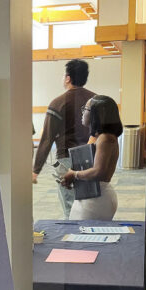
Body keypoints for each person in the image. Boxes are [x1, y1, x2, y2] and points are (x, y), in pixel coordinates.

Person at [33, 58, 96, 217]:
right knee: (89, 204)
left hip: (66, 159)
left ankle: (75, 238)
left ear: (68, 78)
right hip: (91, 158)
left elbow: (47, 139)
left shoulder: (58, 103)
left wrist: (36, 170)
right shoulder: (96, 100)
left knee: (70, 208)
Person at [62, 95, 123, 221]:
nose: (83, 112)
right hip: (91, 194)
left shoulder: (105, 138)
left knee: (84, 235)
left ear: (97, 114)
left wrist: (74, 174)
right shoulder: (98, 136)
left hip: (98, 198)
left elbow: (98, 172)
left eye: (86, 109)